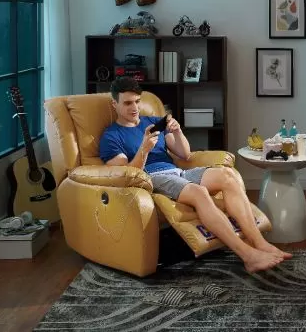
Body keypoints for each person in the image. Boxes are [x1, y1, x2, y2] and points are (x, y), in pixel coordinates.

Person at [99, 77, 292, 273]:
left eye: (138, 101)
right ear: (114, 104)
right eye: (128, 103)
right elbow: (126, 175)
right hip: (153, 177)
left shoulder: (153, 122)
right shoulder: (111, 136)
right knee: (199, 192)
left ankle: (259, 243)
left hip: (178, 172)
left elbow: (185, 154)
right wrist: (144, 149)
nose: (135, 108)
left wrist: (177, 131)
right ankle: (248, 256)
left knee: (228, 175)